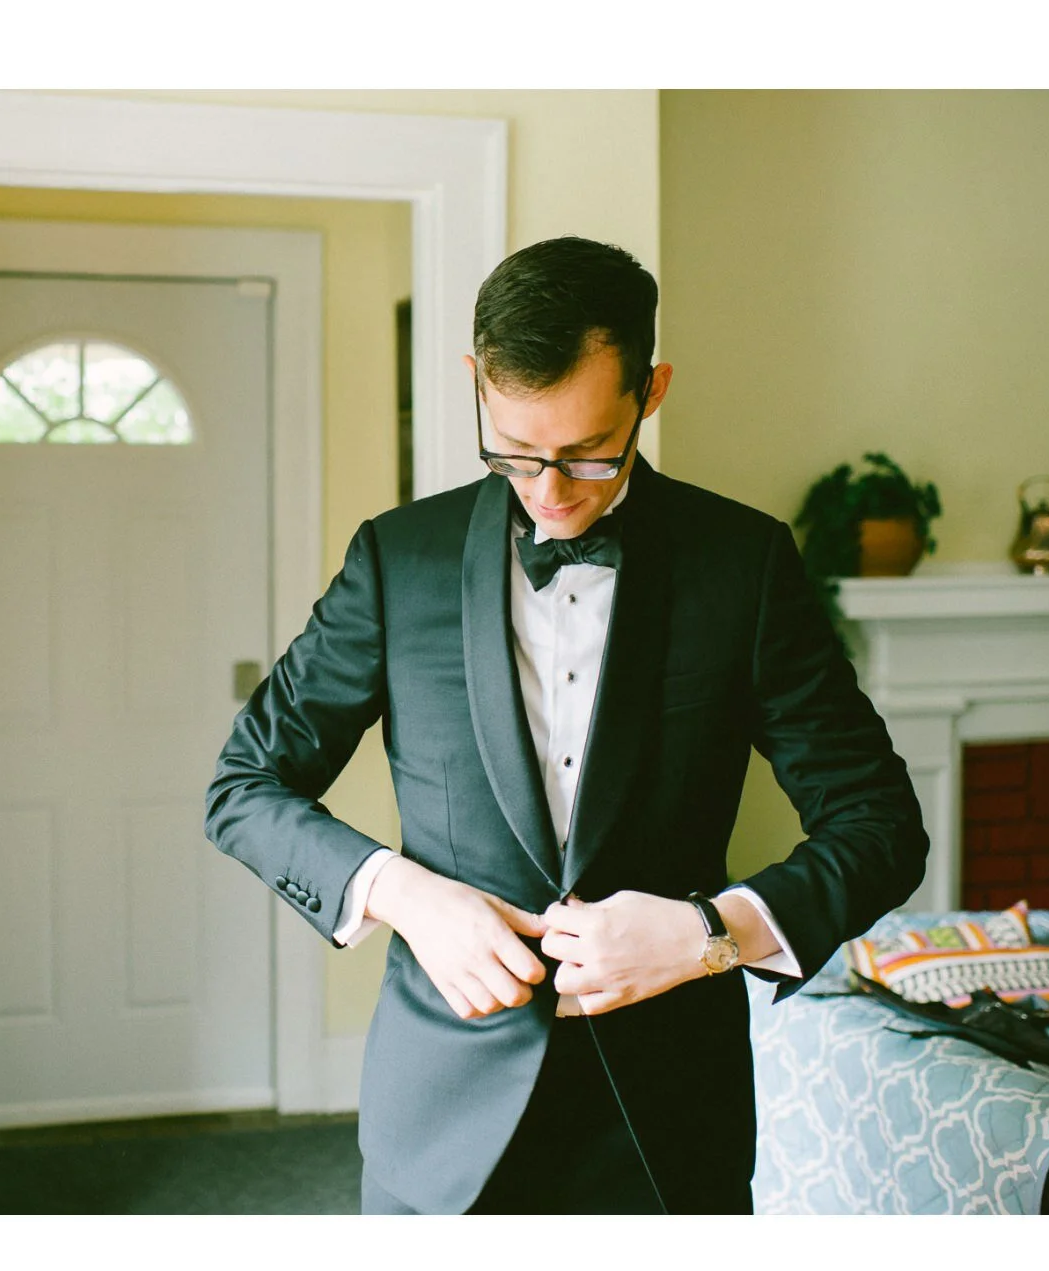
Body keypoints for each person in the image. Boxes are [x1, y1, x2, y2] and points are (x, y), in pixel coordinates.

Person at [204, 235, 928, 1214]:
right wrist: (404, 895)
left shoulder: (743, 567)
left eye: (588, 454)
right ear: (477, 383)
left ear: (650, 391)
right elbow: (244, 786)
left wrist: (711, 935)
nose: (548, 494)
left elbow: (881, 824)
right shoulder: (396, 562)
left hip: (667, 1124)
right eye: (513, 452)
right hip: (439, 1119)